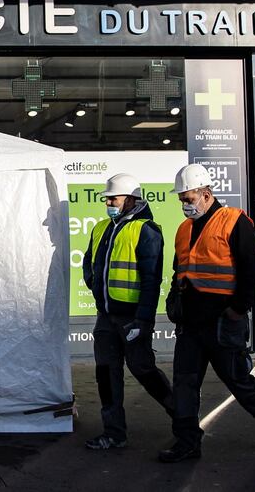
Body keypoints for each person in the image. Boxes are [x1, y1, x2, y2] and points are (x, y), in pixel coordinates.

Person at [159, 164, 255, 463]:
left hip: (222, 320)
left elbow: (251, 268)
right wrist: (173, 300)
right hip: (191, 323)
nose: (184, 205)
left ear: (206, 194)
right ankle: (187, 441)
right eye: (181, 199)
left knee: (238, 382)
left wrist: (238, 309)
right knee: (185, 383)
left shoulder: (233, 221)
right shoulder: (184, 229)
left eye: (187, 198)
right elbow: (180, 269)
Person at [82, 173, 173, 450]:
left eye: (113, 198)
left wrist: (143, 320)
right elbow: (90, 264)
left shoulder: (147, 230)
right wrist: (98, 289)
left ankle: (184, 419)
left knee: (143, 370)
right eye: (107, 198)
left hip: (132, 318)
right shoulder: (101, 228)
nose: (108, 202)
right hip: (106, 318)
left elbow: (151, 280)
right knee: (106, 375)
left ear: (131, 200)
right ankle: (114, 433)